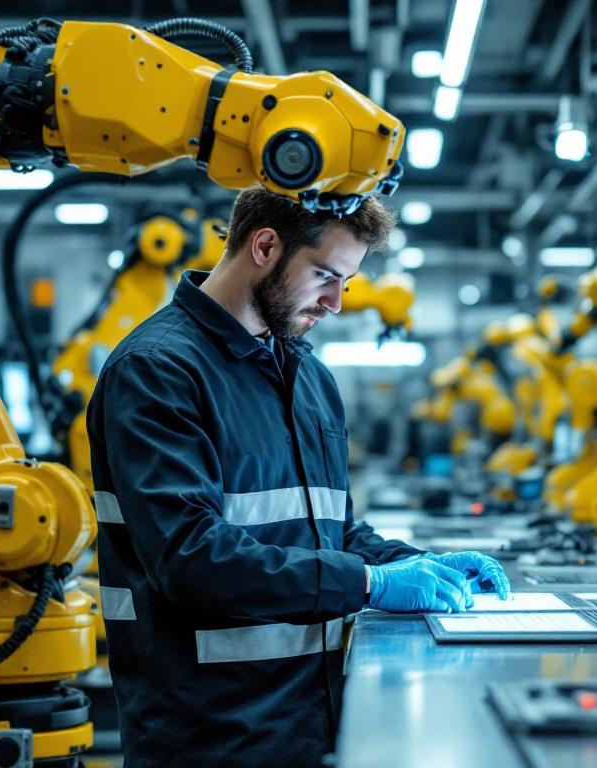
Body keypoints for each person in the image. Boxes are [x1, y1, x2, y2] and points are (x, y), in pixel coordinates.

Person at [86, 188, 511, 768]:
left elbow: (327, 529)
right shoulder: (158, 371)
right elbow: (189, 557)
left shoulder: (307, 375)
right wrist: (369, 585)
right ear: (265, 245)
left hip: (312, 716)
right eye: (325, 276)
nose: (336, 303)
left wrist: (411, 563)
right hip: (211, 732)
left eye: (347, 283)